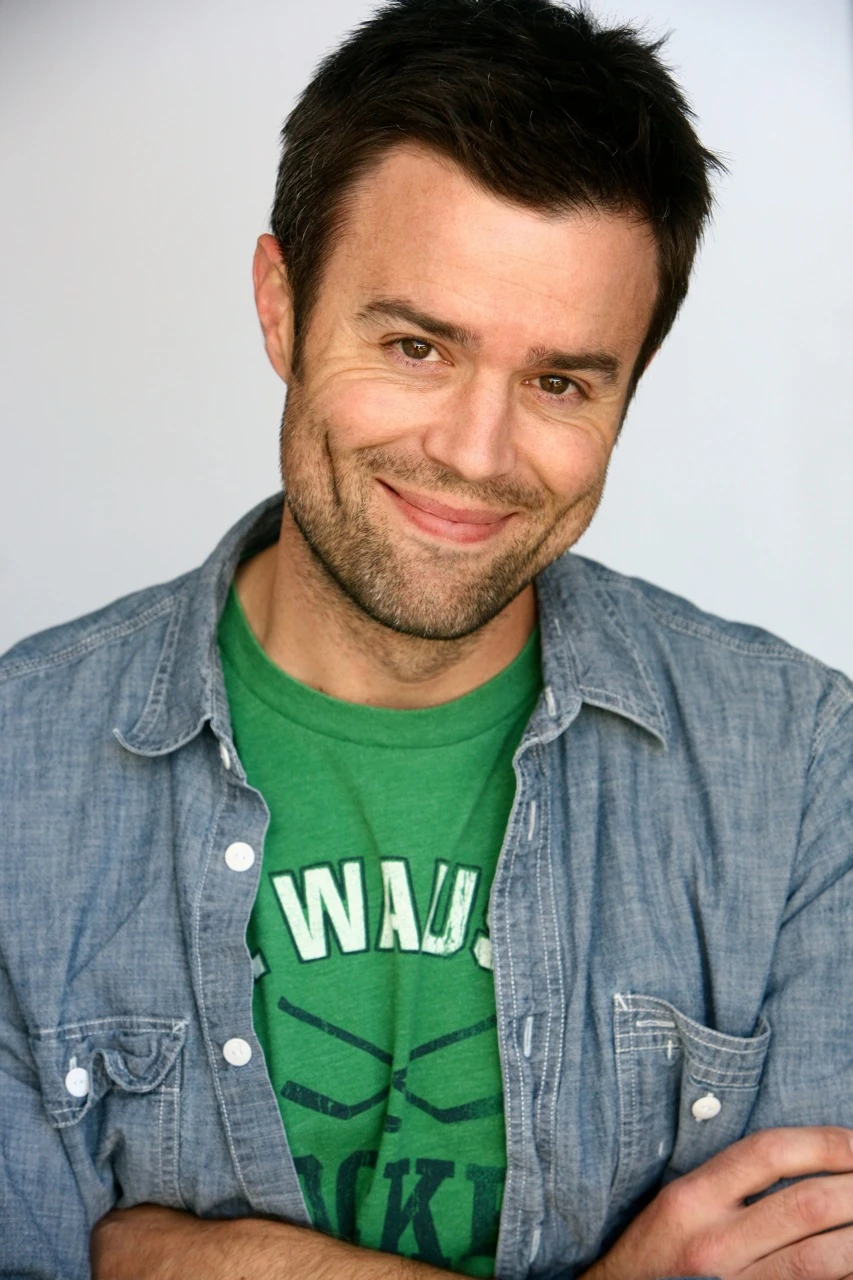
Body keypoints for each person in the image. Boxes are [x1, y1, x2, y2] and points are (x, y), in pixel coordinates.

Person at [2, 1, 853, 1277]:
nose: (474, 451)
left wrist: (186, 1259)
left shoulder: (802, 768)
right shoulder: (16, 765)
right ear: (281, 307)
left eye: (559, 381)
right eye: (415, 346)